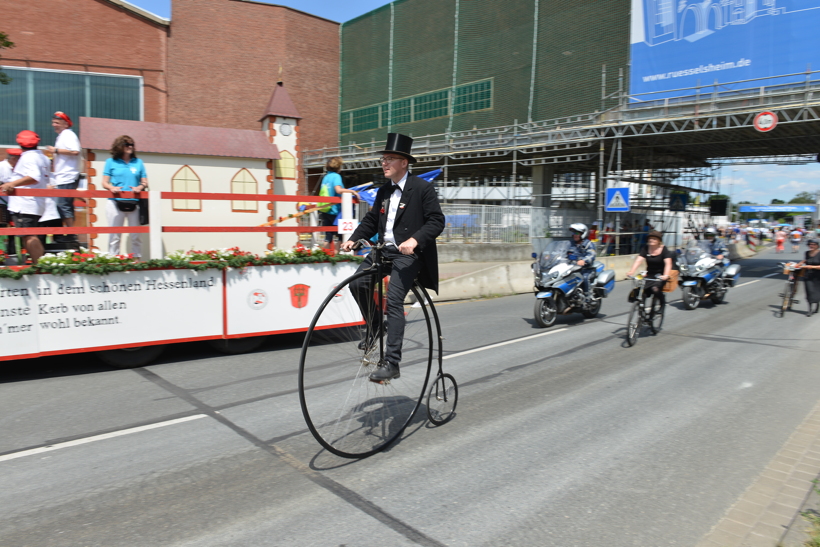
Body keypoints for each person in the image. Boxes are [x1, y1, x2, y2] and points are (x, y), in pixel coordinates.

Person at [340, 133, 444, 382]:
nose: (384, 163)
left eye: (390, 159)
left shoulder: (422, 188)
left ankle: (392, 363)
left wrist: (414, 240)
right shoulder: (384, 191)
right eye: (383, 158)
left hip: (407, 256)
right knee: (357, 283)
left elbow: (437, 221)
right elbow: (372, 220)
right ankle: (375, 326)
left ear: (404, 162)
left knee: (394, 300)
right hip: (383, 251)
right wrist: (354, 238)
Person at [0, 131, 49, 264]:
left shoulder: (28, 157)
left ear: (20, 143)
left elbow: (34, 177)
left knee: (28, 235)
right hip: (35, 202)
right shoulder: (42, 157)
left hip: (25, 203)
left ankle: (40, 266)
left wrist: (12, 184)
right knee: (28, 234)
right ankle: (39, 264)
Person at [101, 135, 148, 257]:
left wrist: (140, 187)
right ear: (120, 146)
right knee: (115, 235)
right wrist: (112, 188)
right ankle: (113, 260)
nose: (130, 147)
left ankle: (136, 259)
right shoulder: (110, 162)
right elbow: (104, 182)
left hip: (134, 202)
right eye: (127, 144)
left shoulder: (138, 162)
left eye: (132, 144)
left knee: (135, 234)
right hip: (115, 201)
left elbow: (144, 181)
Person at [45, 111, 81, 241]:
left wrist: (55, 150)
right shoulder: (62, 136)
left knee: (63, 204)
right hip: (63, 176)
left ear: (65, 124)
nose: (54, 125)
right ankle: (67, 233)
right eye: (53, 123)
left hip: (68, 175)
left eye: (57, 123)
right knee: (63, 205)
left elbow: (75, 151)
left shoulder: (68, 134)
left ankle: (71, 234)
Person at [317, 156, 358, 253]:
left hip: (325, 208)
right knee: (340, 235)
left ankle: (325, 256)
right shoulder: (336, 176)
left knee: (328, 235)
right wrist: (352, 191)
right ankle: (336, 256)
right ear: (338, 167)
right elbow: (338, 190)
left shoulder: (325, 177)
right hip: (335, 210)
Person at [625, 230, 673, 310]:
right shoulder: (646, 248)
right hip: (649, 274)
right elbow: (638, 260)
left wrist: (666, 275)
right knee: (642, 292)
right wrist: (632, 271)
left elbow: (668, 263)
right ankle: (642, 314)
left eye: (654, 239)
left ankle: (662, 303)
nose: (651, 240)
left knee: (655, 289)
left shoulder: (664, 249)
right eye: (650, 238)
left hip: (660, 275)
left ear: (659, 241)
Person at [567, 223, 596, 301]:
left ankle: (588, 297)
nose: (575, 235)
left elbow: (592, 255)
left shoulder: (588, 244)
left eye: (577, 233)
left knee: (585, 278)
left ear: (583, 234)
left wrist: (584, 260)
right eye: (573, 233)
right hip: (572, 269)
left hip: (586, 269)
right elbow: (561, 252)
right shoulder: (570, 244)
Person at [796, 239, 820, 317]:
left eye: (813, 244)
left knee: (817, 292)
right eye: (810, 244)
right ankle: (810, 309)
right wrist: (799, 264)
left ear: (817, 246)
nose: (811, 246)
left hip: (818, 276)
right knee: (809, 291)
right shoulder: (807, 253)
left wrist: (812, 266)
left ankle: (817, 304)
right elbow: (806, 260)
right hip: (808, 275)